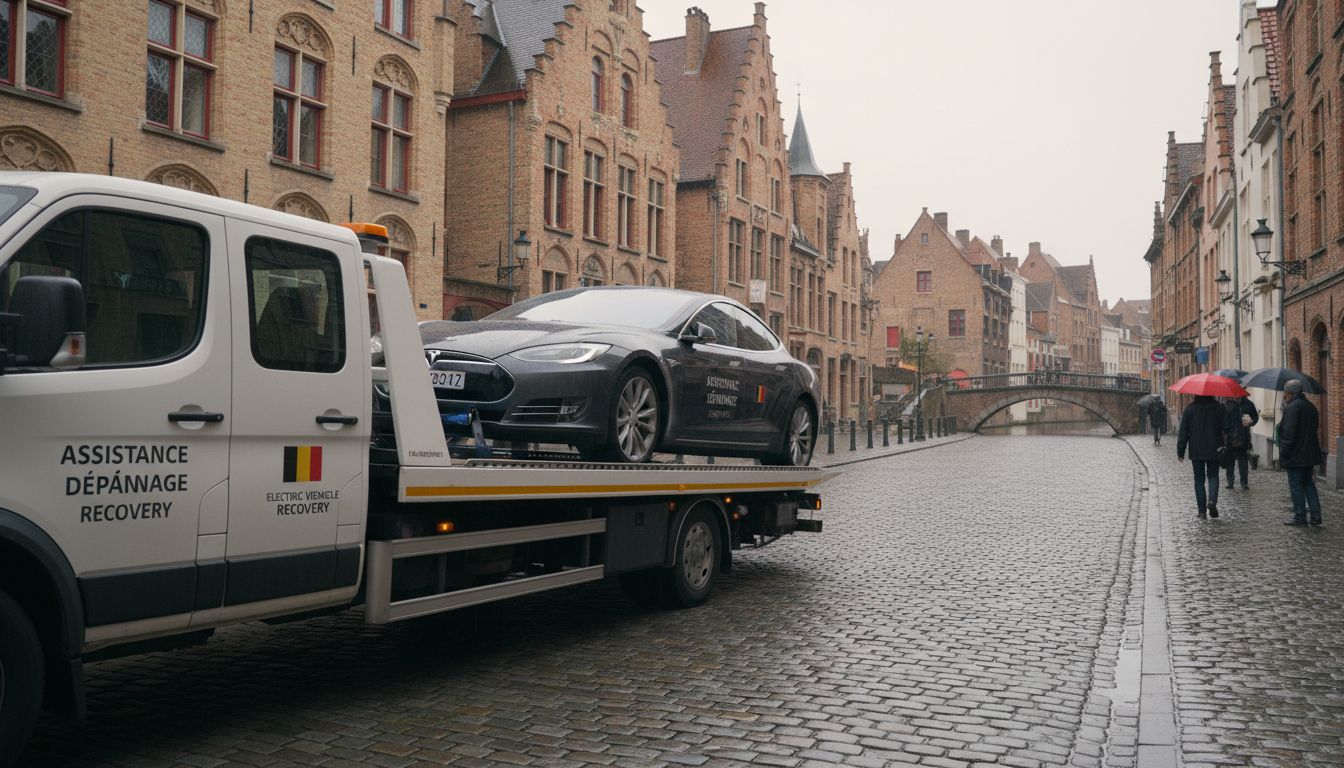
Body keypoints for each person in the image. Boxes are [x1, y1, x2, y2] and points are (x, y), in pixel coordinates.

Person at [1278, 378, 1323, 526]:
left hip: (1295, 455)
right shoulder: (1310, 406)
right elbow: (1315, 427)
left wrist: (1284, 453)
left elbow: (1289, 435)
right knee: (1308, 483)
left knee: (1296, 485)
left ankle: (1300, 516)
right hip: (1309, 454)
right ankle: (1316, 516)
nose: (1284, 396)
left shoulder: (1292, 408)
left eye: (1285, 393)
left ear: (1290, 393)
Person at [1177, 394, 1227, 518]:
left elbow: (1183, 431)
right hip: (1214, 449)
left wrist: (1181, 450)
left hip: (1196, 449)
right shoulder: (1219, 408)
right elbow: (1225, 427)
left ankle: (1202, 511)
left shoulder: (1190, 409)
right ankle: (1212, 501)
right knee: (1213, 476)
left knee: (1199, 479)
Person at [1222, 395, 1259, 489]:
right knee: (1230, 462)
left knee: (1243, 462)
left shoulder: (1249, 404)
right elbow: (1223, 420)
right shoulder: (1227, 404)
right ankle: (1230, 482)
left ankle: (1244, 483)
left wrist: (1251, 422)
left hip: (1244, 437)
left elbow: (1255, 417)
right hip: (1230, 438)